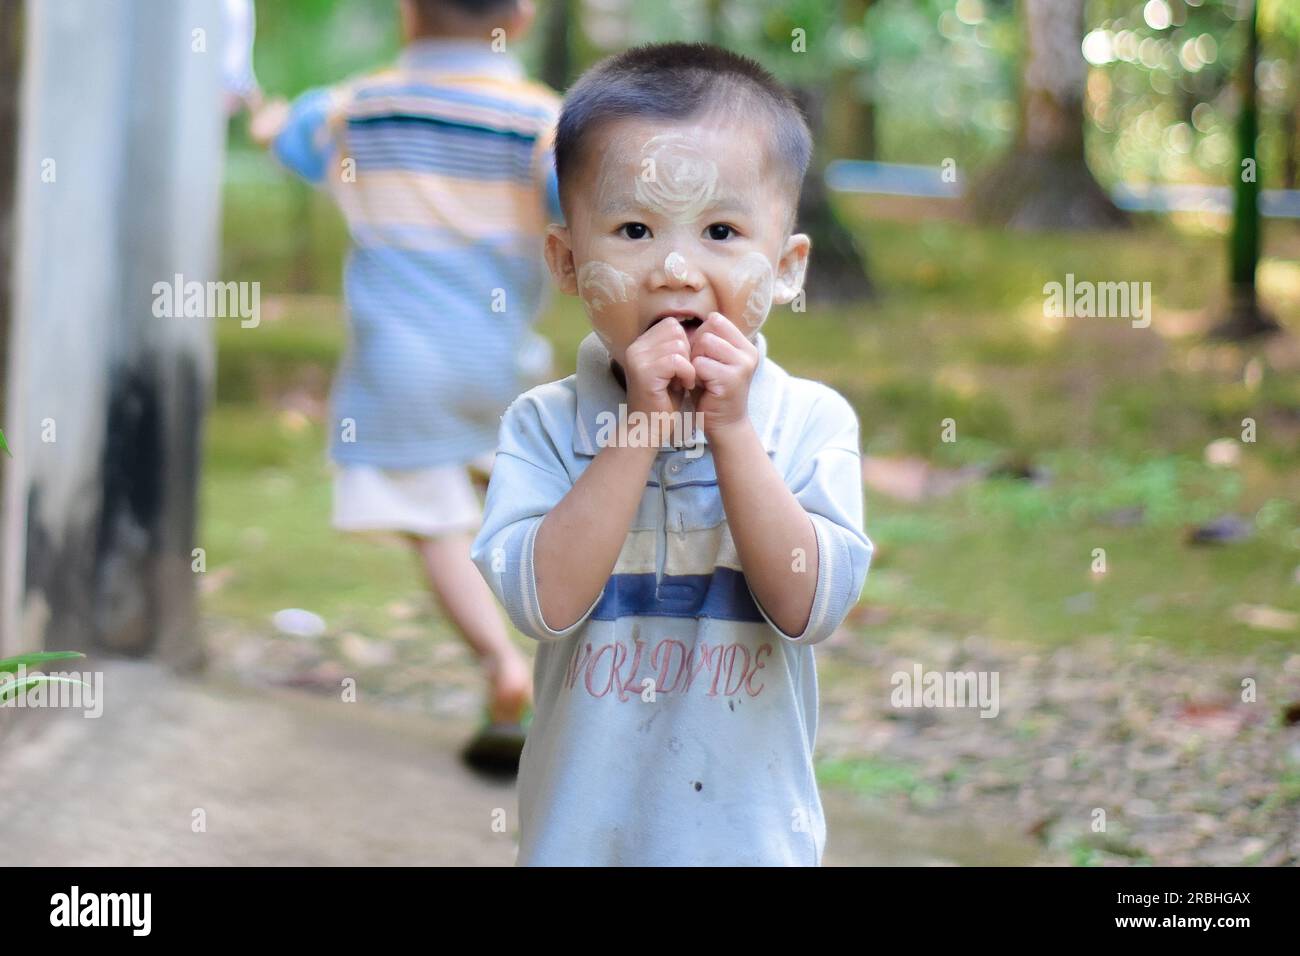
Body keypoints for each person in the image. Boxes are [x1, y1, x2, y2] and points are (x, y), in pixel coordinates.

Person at [470, 42, 874, 864]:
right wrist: (640, 432)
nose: (678, 269)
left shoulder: (810, 423)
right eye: (633, 229)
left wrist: (731, 434)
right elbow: (541, 605)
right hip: (582, 842)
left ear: (788, 267)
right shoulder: (541, 426)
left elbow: (809, 608)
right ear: (569, 263)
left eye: (722, 230)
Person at [250, 0, 559, 771]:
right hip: (504, 356)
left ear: (407, 13)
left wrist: (268, 116)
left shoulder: (356, 109)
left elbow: (289, 140)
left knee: (434, 523)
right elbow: (577, 207)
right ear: (520, 19)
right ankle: (573, 658)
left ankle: (501, 665)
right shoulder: (549, 124)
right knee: (519, 496)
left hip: (401, 363)